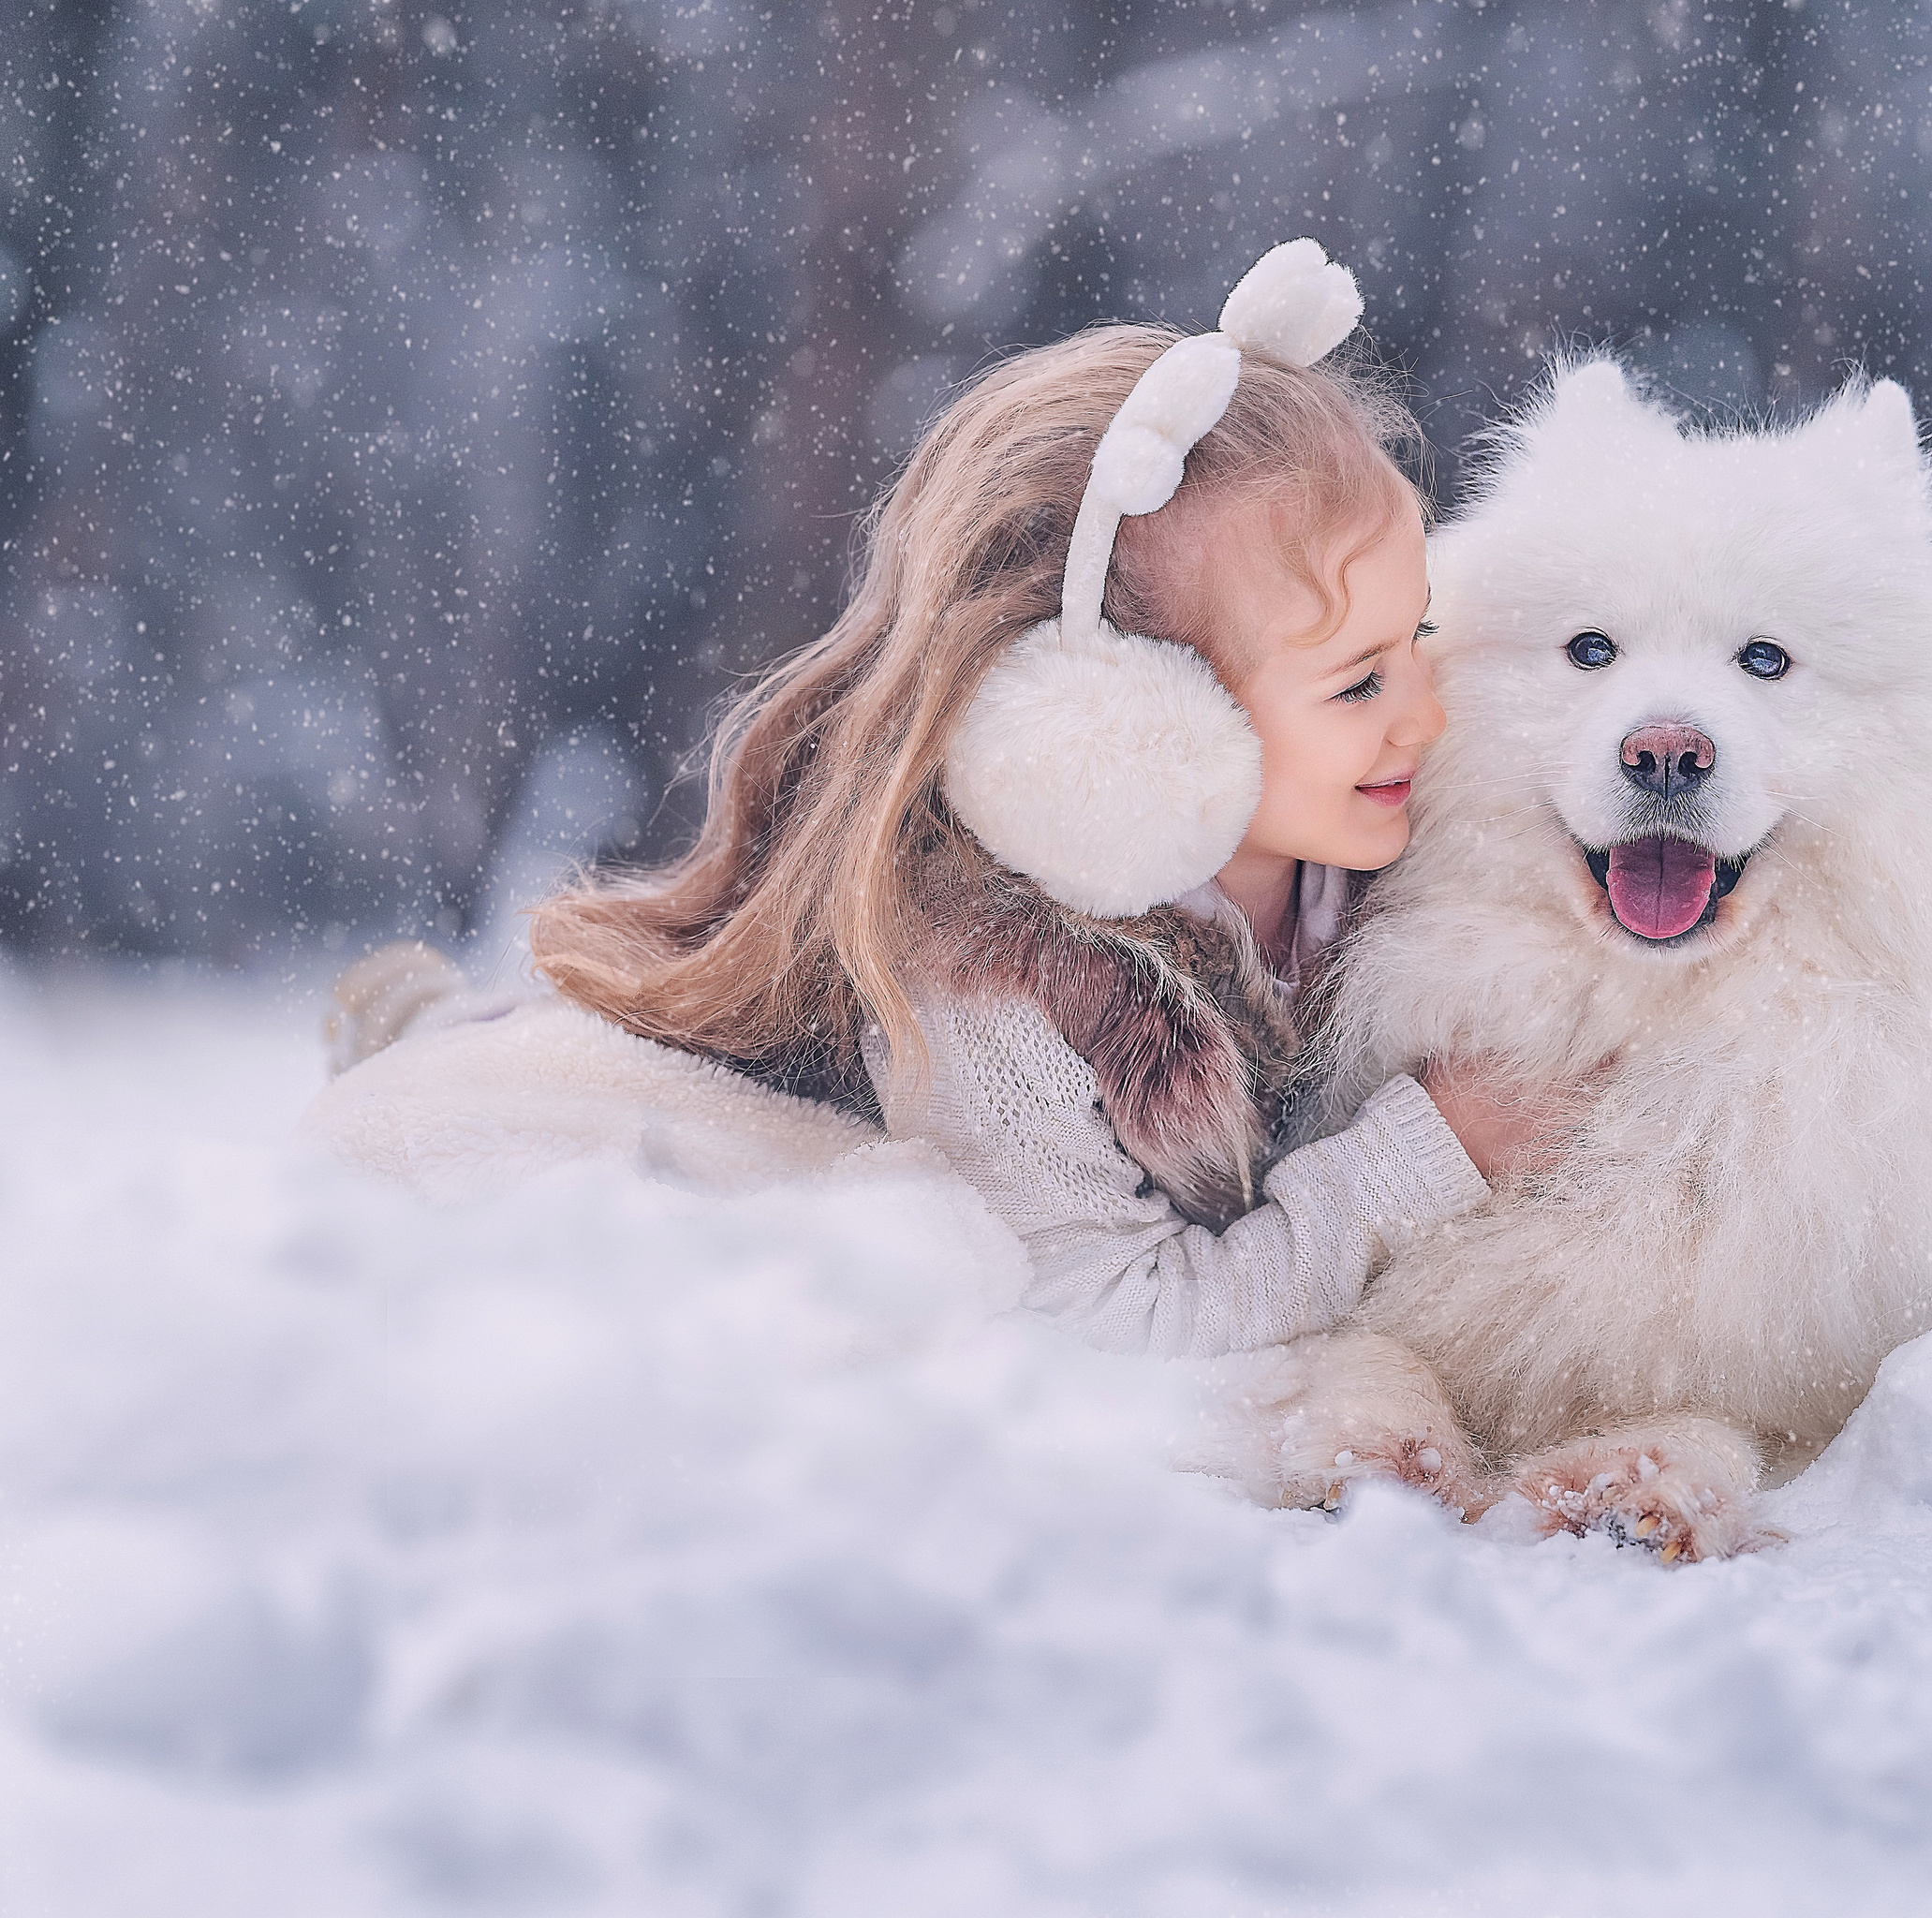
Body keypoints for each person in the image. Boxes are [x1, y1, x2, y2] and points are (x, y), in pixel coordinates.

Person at [306, 241, 1552, 1357]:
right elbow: (1116, 1321)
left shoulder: (1374, 833)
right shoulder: (998, 981)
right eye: (1355, 684)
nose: (1423, 715)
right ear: (1116, 721)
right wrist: (1420, 1154)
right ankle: (450, 1038)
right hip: (821, 1151)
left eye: (1417, 639)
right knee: (699, 1207)